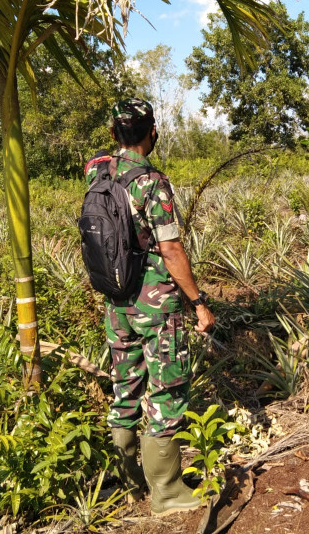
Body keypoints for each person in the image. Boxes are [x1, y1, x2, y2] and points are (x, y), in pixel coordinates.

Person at [85, 98, 215, 514]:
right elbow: (171, 248)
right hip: (156, 304)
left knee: (125, 390)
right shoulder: (152, 182)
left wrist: (116, 148)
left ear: (113, 135)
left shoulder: (97, 173)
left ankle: (131, 483)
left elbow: (102, 158)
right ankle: (167, 492)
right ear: (152, 132)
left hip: (115, 300)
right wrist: (198, 302)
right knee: (167, 390)